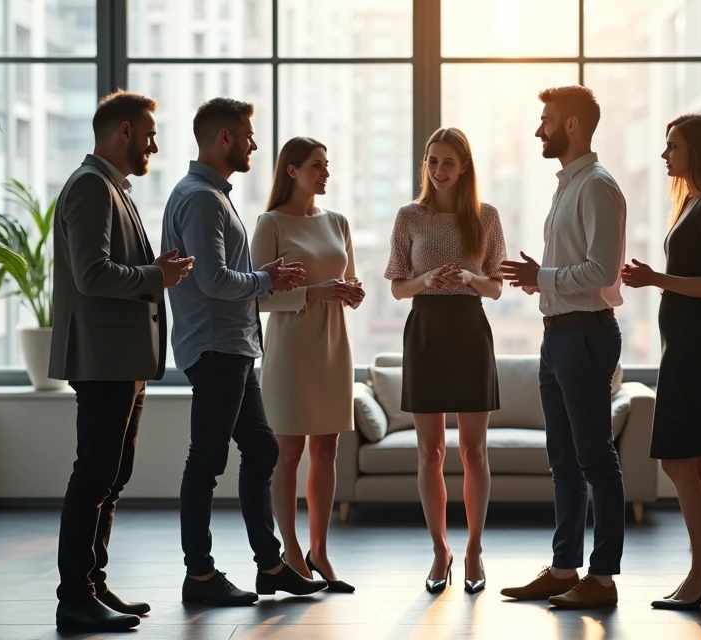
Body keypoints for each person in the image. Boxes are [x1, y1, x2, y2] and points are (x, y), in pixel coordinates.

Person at [162, 97, 327, 606]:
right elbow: (211, 281)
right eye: (249, 134)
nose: (255, 144)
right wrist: (267, 278)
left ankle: (271, 566)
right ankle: (201, 576)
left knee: (262, 450)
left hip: (232, 346)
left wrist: (262, 281)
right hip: (216, 347)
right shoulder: (203, 199)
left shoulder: (209, 194)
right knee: (206, 461)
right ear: (225, 138)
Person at [49, 90, 195, 632]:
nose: (155, 144)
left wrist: (154, 267)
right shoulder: (91, 187)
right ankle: (74, 597)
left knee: (111, 475)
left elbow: (112, 268)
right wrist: (159, 276)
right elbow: (92, 275)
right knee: (95, 476)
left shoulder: (112, 187)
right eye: (150, 133)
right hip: (104, 358)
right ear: (125, 131)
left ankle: (93, 583)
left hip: (123, 359)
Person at [500, 86, 628, 610]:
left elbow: (603, 272)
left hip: (585, 335)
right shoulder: (566, 187)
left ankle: (602, 579)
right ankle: (563, 568)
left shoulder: (598, 186)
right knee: (564, 462)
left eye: (546, 120)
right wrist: (542, 282)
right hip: (557, 338)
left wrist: (544, 274)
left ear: (572, 125)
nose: (538, 129)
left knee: (596, 459)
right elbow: (575, 271)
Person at [621, 113, 701, 610]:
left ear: (697, 151)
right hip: (687, 343)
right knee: (698, 464)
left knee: (677, 461)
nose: (664, 154)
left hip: (695, 346)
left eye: (673, 146)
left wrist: (656, 279)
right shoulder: (693, 202)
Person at [384, 127, 506, 595]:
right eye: (432, 161)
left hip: (470, 331)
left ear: (465, 166)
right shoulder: (408, 216)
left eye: (448, 162)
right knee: (429, 452)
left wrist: (471, 279)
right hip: (426, 331)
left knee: (474, 452)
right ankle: (440, 549)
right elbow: (397, 285)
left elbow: (496, 287)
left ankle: (474, 548)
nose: (438, 170)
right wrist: (427, 278)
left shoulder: (486, 216)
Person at [251, 137, 364, 593]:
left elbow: (348, 280)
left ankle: (320, 550)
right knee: (288, 453)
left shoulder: (338, 221)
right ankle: (291, 552)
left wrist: (350, 293)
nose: (325, 173)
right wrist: (313, 294)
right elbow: (256, 295)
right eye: (317, 165)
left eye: (327, 164)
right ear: (292, 170)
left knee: (327, 451)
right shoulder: (270, 223)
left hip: (334, 346)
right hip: (292, 351)